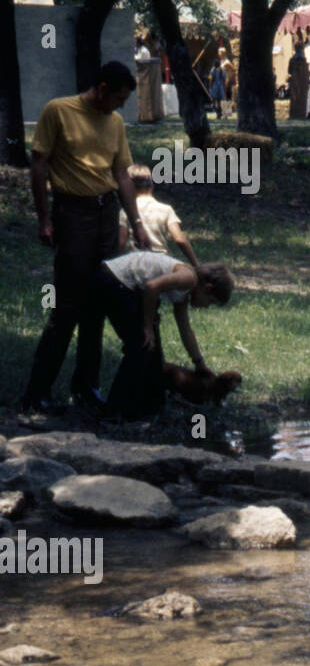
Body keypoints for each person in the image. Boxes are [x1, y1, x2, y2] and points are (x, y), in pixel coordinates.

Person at [20, 61, 150, 413]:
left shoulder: (116, 123)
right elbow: (39, 165)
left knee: (99, 302)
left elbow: (122, 174)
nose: (120, 106)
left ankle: (86, 386)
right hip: (72, 214)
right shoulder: (59, 111)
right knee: (67, 306)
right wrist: (45, 218)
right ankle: (37, 392)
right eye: (118, 98)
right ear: (102, 88)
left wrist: (135, 221)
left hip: (106, 214)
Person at [84, 250, 233, 420]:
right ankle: (114, 413)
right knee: (142, 346)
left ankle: (151, 409)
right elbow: (152, 287)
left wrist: (199, 363)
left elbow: (185, 329)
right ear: (208, 288)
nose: (206, 307)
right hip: (113, 280)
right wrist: (147, 326)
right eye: (211, 302)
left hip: (121, 284)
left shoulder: (184, 293)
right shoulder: (188, 278)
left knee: (154, 355)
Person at [117, 165, 199, 266]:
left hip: (136, 261)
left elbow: (121, 242)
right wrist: (196, 264)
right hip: (160, 261)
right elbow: (179, 239)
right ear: (151, 185)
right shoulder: (166, 209)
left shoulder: (126, 211)